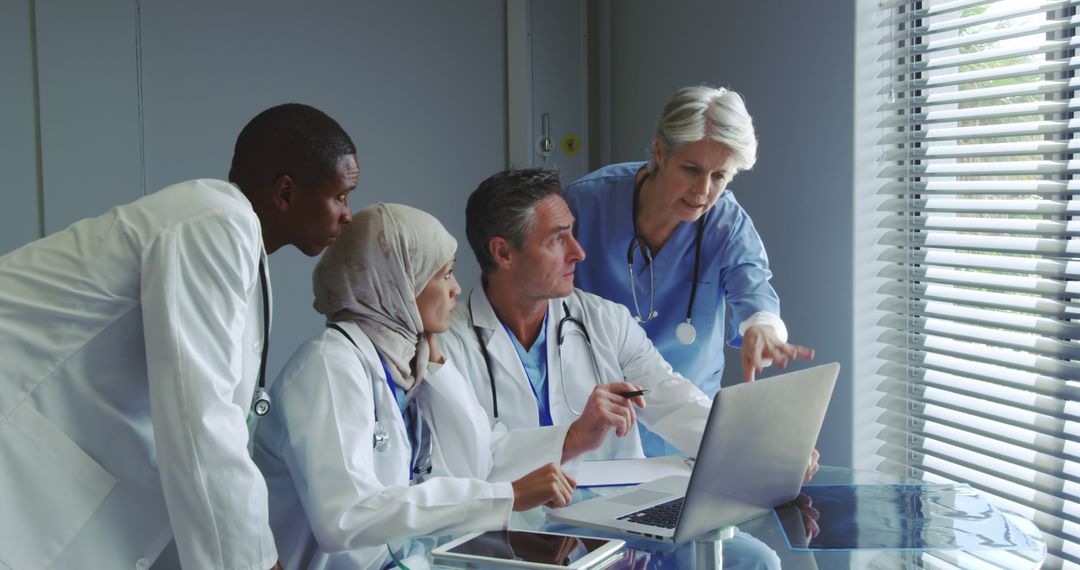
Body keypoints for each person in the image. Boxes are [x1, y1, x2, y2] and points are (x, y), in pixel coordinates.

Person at [0, 103, 357, 570]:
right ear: (285, 192)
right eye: (341, 196)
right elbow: (200, 419)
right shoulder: (214, 223)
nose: (349, 215)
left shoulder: (236, 240)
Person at [442, 168, 799, 570]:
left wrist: (766, 451)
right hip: (518, 535)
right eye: (558, 239)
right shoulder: (447, 345)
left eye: (573, 234)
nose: (579, 252)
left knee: (753, 560)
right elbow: (469, 465)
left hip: (618, 520)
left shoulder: (603, 320)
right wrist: (575, 437)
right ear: (503, 253)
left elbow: (672, 398)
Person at [252, 203, 582, 569]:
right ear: (398, 284)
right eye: (445, 274)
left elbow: (474, 461)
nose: (456, 289)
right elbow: (346, 518)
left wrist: (437, 367)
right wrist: (508, 496)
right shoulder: (329, 368)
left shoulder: (403, 364)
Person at [563, 85, 814, 456]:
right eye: (691, 169)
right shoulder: (587, 202)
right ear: (661, 153)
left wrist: (763, 329)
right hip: (594, 417)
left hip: (686, 423)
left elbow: (754, 287)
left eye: (720, 176)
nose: (703, 190)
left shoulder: (725, 221)